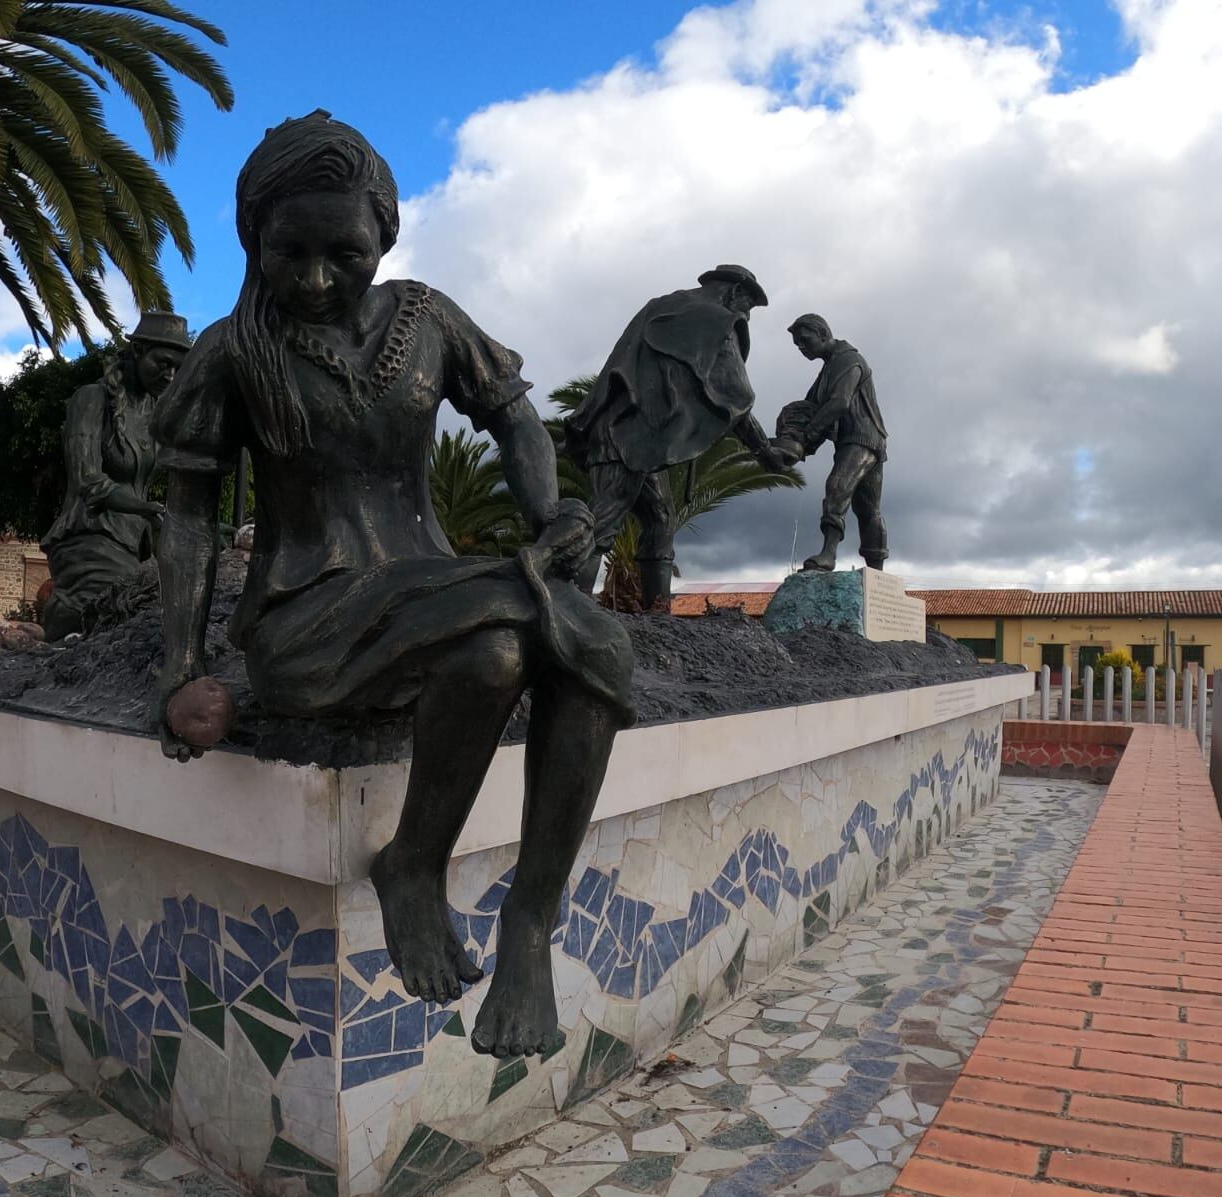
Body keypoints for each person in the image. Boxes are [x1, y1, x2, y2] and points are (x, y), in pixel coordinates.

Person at [152, 111, 635, 1058]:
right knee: (501, 648)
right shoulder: (231, 352)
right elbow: (185, 514)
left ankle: (529, 923)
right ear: (254, 238)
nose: (318, 277)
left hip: (430, 586)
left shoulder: (427, 318)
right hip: (305, 618)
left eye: (347, 251)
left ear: (385, 236)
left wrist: (549, 514)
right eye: (291, 252)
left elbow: (517, 421)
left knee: (588, 650)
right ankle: (412, 864)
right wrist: (180, 669)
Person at [562, 266, 789, 611]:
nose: (746, 315)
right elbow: (735, 398)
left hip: (636, 437)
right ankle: (571, 611)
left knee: (661, 518)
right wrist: (766, 452)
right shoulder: (716, 321)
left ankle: (659, 611)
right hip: (622, 436)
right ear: (734, 292)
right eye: (748, 306)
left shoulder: (663, 306)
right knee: (604, 520)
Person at [40, 313, 190, 640]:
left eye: (178, 368)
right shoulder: (91, 399)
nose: (170, 375)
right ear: (137, 350)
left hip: (136, 544)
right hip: (90, 537)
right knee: (115, 614)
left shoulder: (157, 415)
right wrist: (146, 509)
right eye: (163, 363)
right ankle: (65, 615)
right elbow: (86, 482)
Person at [773, 313, 889, 572]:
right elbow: (811, 408)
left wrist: (805, 437)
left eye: (804, 340)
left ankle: (828, 553)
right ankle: (876, 572)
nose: (802, 347)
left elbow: (838, 403)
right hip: (853, 440)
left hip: (863, 437)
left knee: (838, 485)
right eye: (797, 344)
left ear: (823, 333)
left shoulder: (848, 360)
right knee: (867, 508)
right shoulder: (829, 367)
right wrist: (791, 441)